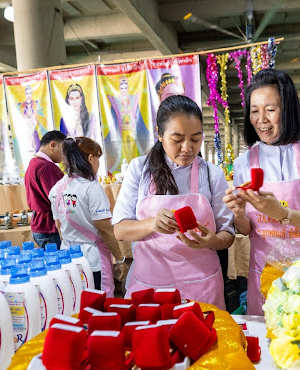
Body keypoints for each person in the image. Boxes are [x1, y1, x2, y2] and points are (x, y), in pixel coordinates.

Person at [223, 69, 300, 315]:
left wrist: (282, 214)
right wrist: (238, 213)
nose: (261, 119)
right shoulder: (243, 163)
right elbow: (246, 230)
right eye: (254, 111)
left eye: (270, 109)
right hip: (264, 272)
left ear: (288, 109)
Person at [112, 95, 234, 309]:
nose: (187, 148)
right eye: (177, 140)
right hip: (151, 286)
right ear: (159, 134)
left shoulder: (211, 174)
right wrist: (152, 223)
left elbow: (228, 235)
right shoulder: (139, 169)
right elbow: (120, 230)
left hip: (202, 285)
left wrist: (211, 241)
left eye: (195, 139)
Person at [49, 137, 125, 296]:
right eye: (98, 158)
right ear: (91, 158)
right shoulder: (91, 188)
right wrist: (120, 259)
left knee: (76, 300)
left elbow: (58, 226)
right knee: (97, 301)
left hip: (68, 257)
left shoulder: (56, 188)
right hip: (92, 258)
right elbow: (105, 229)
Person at [25, 130, 66, 248]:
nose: (64, 156)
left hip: (41, 225)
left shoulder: (34, 162)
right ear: (52, 145)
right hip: (50, 226)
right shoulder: (46, 167)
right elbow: (58, 198)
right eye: (63, 150)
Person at [106, 76, 151, 171]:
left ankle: (135, 168)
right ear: (119, 89)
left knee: (133, 147)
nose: (123, 90)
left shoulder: (133, 99)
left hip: (132, 128)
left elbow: (137, 114)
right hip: (122, 129)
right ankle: (127, 167)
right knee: (125, 148)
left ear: (128, 88)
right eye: (122, 88)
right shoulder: (116, 100)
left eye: (125, 88)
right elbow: (114, 116)